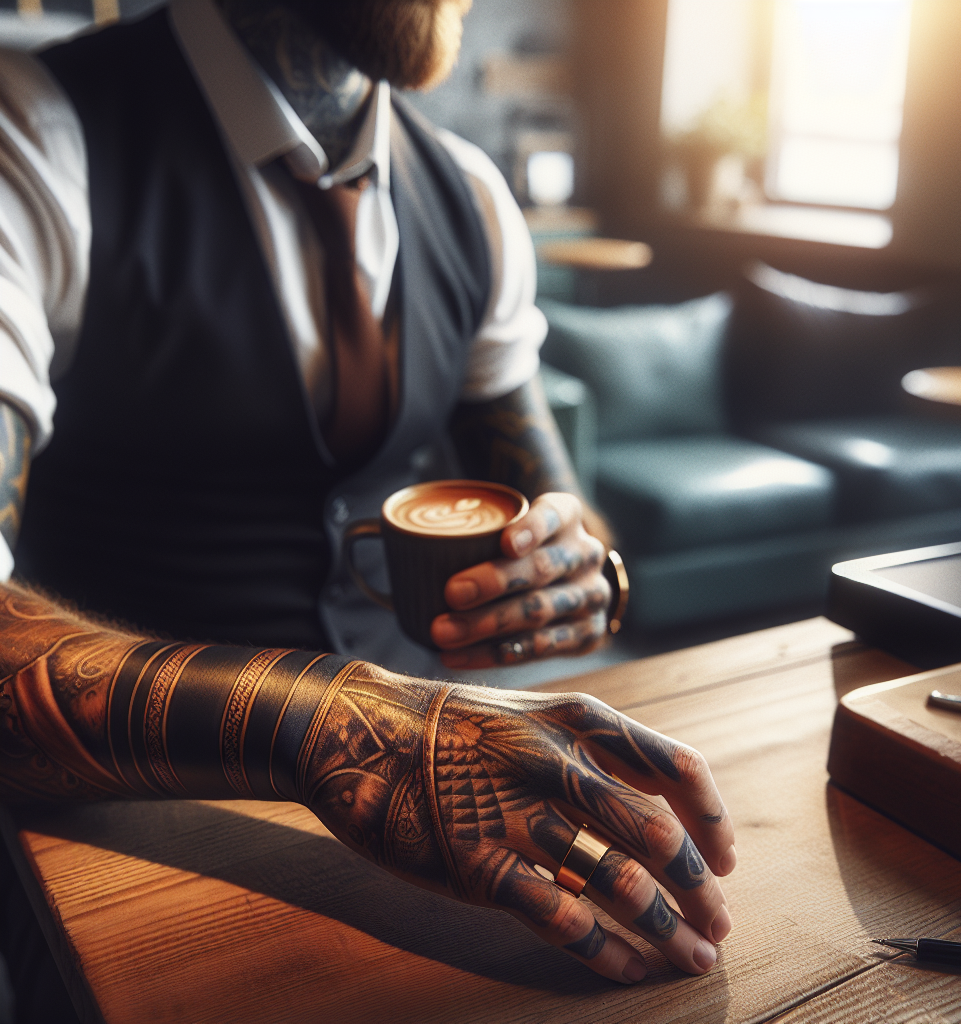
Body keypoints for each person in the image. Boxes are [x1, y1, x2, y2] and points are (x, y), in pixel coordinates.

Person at [0, 0, 735, 998]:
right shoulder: (35, 135)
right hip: (133, 843)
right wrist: (335, 724)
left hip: (450, 823)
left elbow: (559, 500)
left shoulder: (471, 195)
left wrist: (584, 572)